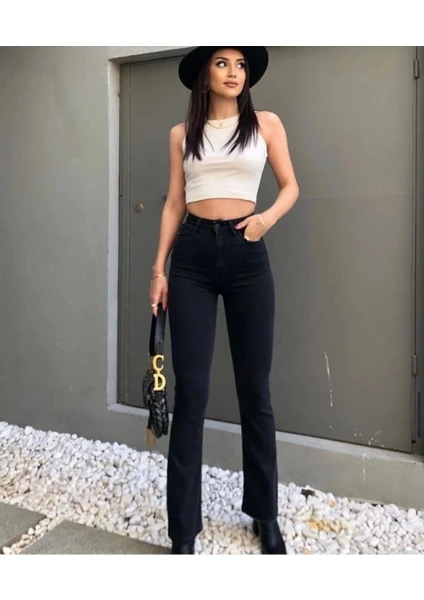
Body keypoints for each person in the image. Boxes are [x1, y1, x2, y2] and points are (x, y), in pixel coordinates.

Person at [150, 46, 299, 555]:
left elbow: (290, 186)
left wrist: (265, 221)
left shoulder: (265, 124)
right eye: (222, 63)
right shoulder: (182, 133)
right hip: (191, 257)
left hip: (246, 254)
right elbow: (174, 202)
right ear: (204, 74)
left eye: (240, 64)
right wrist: (158, 269)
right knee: (191, 393)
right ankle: (183, 529)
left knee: (255, 390)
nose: (233, 72)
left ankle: (265, 513)